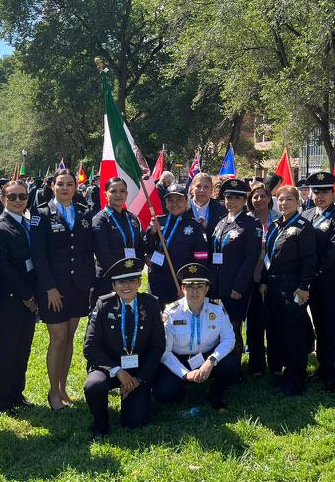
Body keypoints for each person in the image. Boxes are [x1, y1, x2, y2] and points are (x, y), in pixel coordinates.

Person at [31, 169, 96, 411]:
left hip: (78, 287)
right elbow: (38, 255)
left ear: (76, 187)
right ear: (52, 186)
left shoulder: (83, 213)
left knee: (69, 338)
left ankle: (62, 386)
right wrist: (49, 288)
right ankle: (52, 391)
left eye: (70, 184)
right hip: (54, 290)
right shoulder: (41, 214)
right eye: (61, 184)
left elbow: (86, 252)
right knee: (57, 339)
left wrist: (88, 283)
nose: (65, 188)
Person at [83, 257, 165, 438]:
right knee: (94, 385)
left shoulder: (150, 304)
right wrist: (118, 371)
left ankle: (134, 398)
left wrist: (140, 378)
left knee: (134, 422)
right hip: (109, 368)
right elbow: (90, 347)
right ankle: (100, 424)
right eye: (121, 281)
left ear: (139, 282)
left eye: (131, 280)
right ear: (113, 285)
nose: (126, 286)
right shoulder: (103, 305)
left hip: (137, 371)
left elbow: (157, 346)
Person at [0, 179, 39, 415]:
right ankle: (1, 400)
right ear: (2, 199)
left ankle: (17, 393)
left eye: (23, 196)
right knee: (5, 350)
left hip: (30, 300)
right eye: (13, 197)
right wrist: (27, 295)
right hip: (10, 299)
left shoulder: (29, 223)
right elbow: (3, 267)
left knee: (23, 348)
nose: (18, 201)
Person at [154, 263, 240, 409]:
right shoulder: (171, 312)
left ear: (207, 289)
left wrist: (211, 361)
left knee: (231, 365)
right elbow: (165, 352)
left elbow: (229, 339)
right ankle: (182, 388)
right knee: (164, 393)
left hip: (207, 357)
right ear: (182, 288)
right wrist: (184, 374)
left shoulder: (217, 308)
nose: (195, 291)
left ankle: (215, 394)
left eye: (200, 286)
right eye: (190, 286)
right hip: (179, 359)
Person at [261, 185, 316, 396]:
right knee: (275, 330)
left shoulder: (303, 227)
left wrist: (304, 287)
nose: (284, 203)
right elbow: (269, 257)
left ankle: (295, 379)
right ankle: (279, 372)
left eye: (289, 200)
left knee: (294, 334)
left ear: (298, 202)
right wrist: (265, 281)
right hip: (274, 286)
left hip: (293, 287)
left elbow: (309, 260)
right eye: (281, 200)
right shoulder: (276, 225)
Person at [302, 172, 335, 391]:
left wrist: (312, 272)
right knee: (319, 324)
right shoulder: (308, 214)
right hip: (312, 281)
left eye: (324, 192)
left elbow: (334, 251)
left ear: (334, 193)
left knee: (331, 326)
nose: (320, 196)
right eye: (316, 192)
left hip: (329, 280)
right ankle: (323, 366)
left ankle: (333, 372)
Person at [209, 178, 260, 354]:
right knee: (217, 327)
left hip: (235, 286)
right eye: (228, 197)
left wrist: (239, 286)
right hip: (217, 285)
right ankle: (221, 363)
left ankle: (235, 368)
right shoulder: (221, 222)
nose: (231, 202)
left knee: (233, 327)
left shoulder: (251, 225)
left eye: (237, 198)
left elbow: (251, 259)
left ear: (244, 200)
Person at [146, 183, 209, 307]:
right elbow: (147, 248)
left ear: (186, 200)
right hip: (157, 280)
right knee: (157, 318)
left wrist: (190, 285)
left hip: (180, 282)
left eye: (179, 199)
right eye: (170, 200)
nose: (174, 204)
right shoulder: (158, 222)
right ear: (165, 203)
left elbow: (201, 260)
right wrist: (152, 232)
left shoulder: (195, 226)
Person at [245, 182, 280, 377]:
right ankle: (256, 364)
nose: (259, 200)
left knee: (274, 319)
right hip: (253, 276)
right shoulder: (247, 220)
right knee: (254, 320)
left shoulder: (279, 219)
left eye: (262, 196)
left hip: (274, 276)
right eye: (255, 197)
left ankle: (275, 364)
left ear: (269, 198)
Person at [92, 177, 146, 296]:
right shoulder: (100, 219)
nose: (118, 195)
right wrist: (122, 273)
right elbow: (102, 253)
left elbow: (140, 247)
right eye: (113, 191)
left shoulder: (132, 218)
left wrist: (137, 268)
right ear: (105, 194)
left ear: (126, 194)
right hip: (109, 278)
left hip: (131, 276)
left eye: (122, 191)